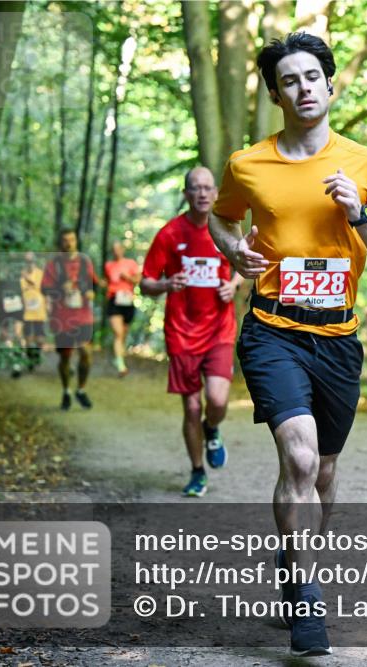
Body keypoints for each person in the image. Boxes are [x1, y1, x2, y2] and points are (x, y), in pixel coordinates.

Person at [209, 32, 367, 657]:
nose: (302, 89)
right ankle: (305, 597)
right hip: (273, 328)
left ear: (330, 85)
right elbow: (223, 216)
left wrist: (359, 216)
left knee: (323, 471)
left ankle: (296, 559)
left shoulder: (366, 164)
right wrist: (232, 248)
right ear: (276, 93)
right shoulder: (248, 164)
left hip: (339, 338)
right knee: (298, 459)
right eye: (288, 81)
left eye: (311, 78)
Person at [141, 167, 242, 498]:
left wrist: (233, 285)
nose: (201, 193)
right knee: (191, 408)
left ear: (215, 194)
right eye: (194, 188)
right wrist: (167, 284)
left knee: (215, 399)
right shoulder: (170, 234)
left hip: (219, 329)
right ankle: (198, 471)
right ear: (186, 195)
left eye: (207, 188)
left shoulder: (226, 230)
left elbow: (246, 264)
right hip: (181, 332)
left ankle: (213, 429)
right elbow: (145, 283)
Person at [42, 230, 97, 409]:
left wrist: (91, 291)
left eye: (72, 239)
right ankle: (66, 391)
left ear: (76, 241)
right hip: (62, 317)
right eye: (65, 240)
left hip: (83, 316)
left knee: (86, 353)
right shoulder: (54, 264)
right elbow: (45, 289)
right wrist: (60, 288)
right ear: (60, 243)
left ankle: (81, 389)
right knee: (65, 357)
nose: (69, 243)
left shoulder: (84, 261)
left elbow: (94, 283)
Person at [104, 241, 141, 377]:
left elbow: (137, 279)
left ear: (122, 250)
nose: (116, 251)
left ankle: (118, 357)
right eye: (114, 249)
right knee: (118, 333)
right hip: (114, 300)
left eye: (118, 248)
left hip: (127, 300)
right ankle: (120, 365)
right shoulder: (108, 265)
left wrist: (127, 277)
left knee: (123, 334)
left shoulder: (130, 263)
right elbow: (107, 281)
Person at [0, 258, 25, 377]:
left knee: (17, 334)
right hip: (2, 306)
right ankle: (3, 354)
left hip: (17, 306)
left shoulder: (20, 273)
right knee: (4, 335)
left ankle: (17, 362)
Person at [20, 251, 47, 371]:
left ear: (34, 261)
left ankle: (37, 354)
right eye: (26, 261)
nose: (29, 263)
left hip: (39, 310)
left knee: (40, 337)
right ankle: (30, 358)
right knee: (27, 337)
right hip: (25, 311)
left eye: (30, 260)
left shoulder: (40, 274)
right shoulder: (20, 275)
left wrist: (27, 278)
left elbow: (43, 288)